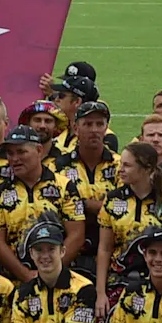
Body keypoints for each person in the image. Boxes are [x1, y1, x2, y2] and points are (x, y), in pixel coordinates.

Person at [0, 125, 85, 282]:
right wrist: (25, 274)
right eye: (10, 153)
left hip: (58, 278)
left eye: (21, 152)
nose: (14, 159)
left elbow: (77, 235)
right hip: (15, 281)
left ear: (39, 151)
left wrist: (51, 270)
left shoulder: (65, 187)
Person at [95, 141, 162, 322]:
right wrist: (101, 292)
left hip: (157, 283)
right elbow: (104, 249)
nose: (120, 170)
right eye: (120, 164)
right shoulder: (112, 199)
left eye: (127, 165)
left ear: (146, 169)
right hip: (118, 281)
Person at [55, 102, 119, 269]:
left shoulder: (120, 165)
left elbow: (124, 210)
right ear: (76, 128)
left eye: (99, 124)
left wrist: (81, 204)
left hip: (114, 255)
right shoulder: (57, 167)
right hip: (70, 253)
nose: (94, 129)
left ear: (106, 128)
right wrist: (98, 206)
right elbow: (56, 210)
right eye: (88, 124)